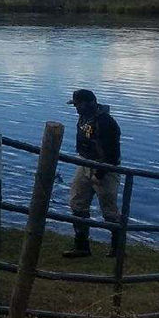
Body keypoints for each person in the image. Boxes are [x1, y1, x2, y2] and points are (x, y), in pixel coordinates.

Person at [62, 89, 123, 259]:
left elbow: (112, 153)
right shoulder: (84, 117)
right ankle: (81, 246)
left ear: (89, 103)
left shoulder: (106, 122)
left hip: (106, 168)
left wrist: (101, 172)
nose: (76, 108)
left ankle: (118, 247)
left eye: (77, 105)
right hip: (84, 163)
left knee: (109, 210)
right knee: (77, 202)